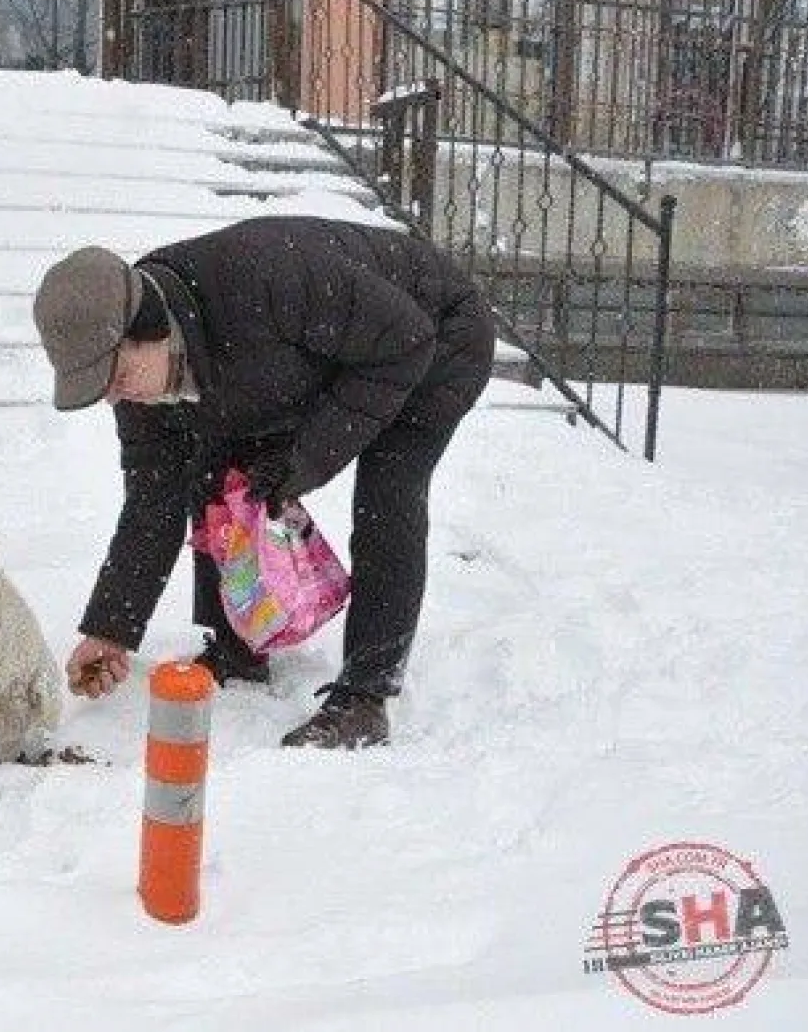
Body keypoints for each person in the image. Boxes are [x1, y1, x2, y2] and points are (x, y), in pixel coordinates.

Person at [32, 215, 495, 749]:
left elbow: (405, 341)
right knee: (218, 480)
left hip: (436, 336)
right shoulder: (141, 380)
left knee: (387, 494)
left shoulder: (263, 279)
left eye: (115, 379)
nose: (114, 398)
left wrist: (304, 459)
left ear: (151, 331)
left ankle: (365, 697)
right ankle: (237, 646)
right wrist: (110, 627)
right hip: (316, 367)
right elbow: (153, 503)